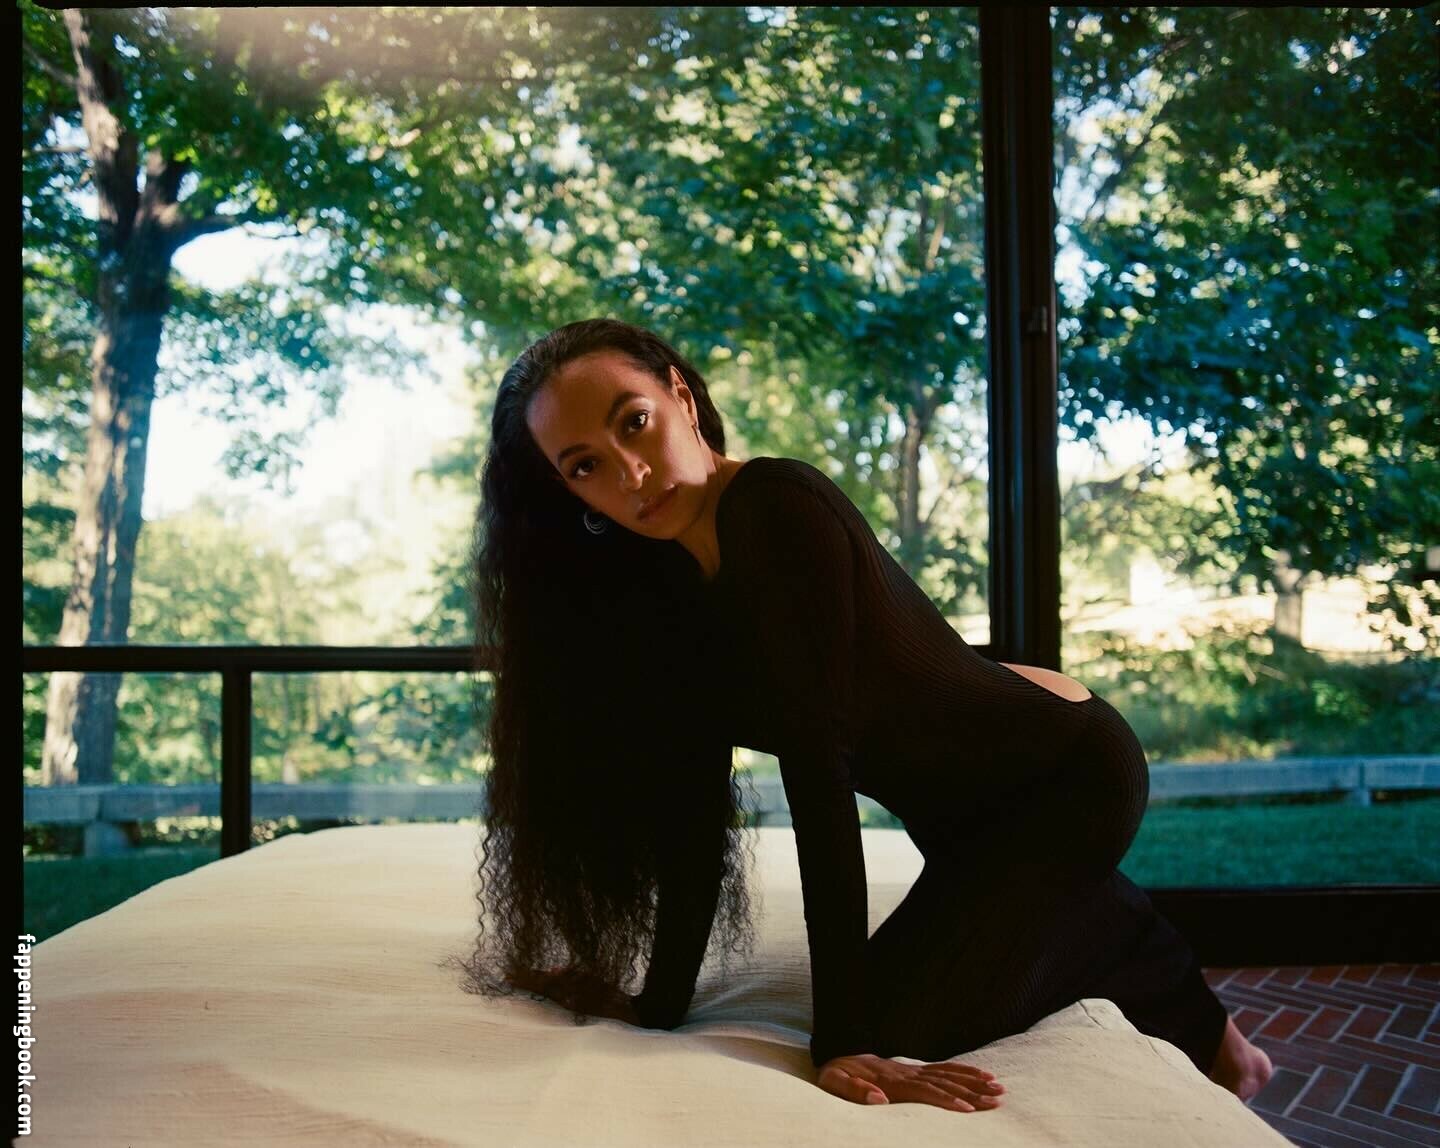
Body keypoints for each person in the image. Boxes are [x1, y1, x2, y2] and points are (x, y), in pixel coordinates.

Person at [445, 317, 1274, 1111]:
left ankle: (1168, 989)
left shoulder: (778, 504)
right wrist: (656, 1009)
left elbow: (819, 767)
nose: (628, 473)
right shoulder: (666, 594)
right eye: (585, 465)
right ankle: (1128, 942)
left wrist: (840, 1041)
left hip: (1058, 776)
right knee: (939, 967)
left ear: (681, 398)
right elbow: (695, 817)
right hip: (956, 820)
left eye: (635, 422)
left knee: (892, 1028)